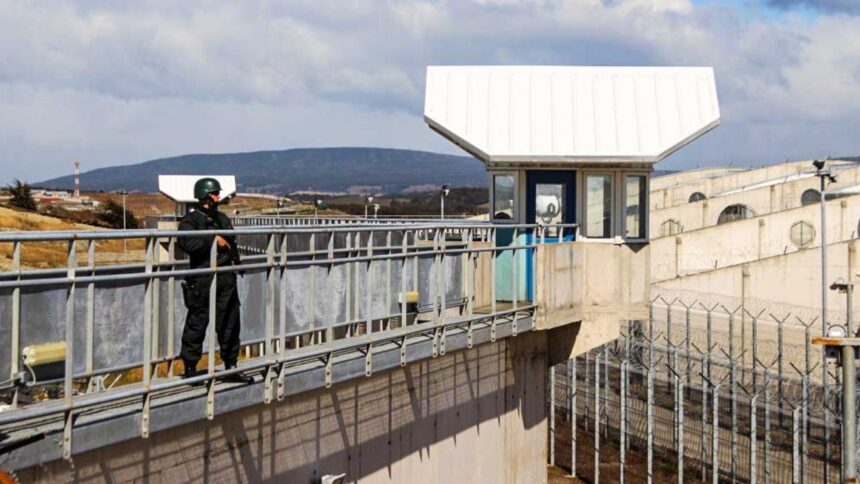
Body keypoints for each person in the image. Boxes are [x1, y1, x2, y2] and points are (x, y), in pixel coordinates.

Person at [178, 177, 252, 384]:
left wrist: (236, 262)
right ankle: (191, 369)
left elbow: (231, 242)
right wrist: (212, 240)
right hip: (202, 278)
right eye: (214, 193)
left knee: (230, 322)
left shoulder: (222, 218)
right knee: (197, 322)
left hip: (225, 277)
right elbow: (187, 243)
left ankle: (230, 366)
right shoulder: (190, 221)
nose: (218, 197)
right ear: (204, 195)